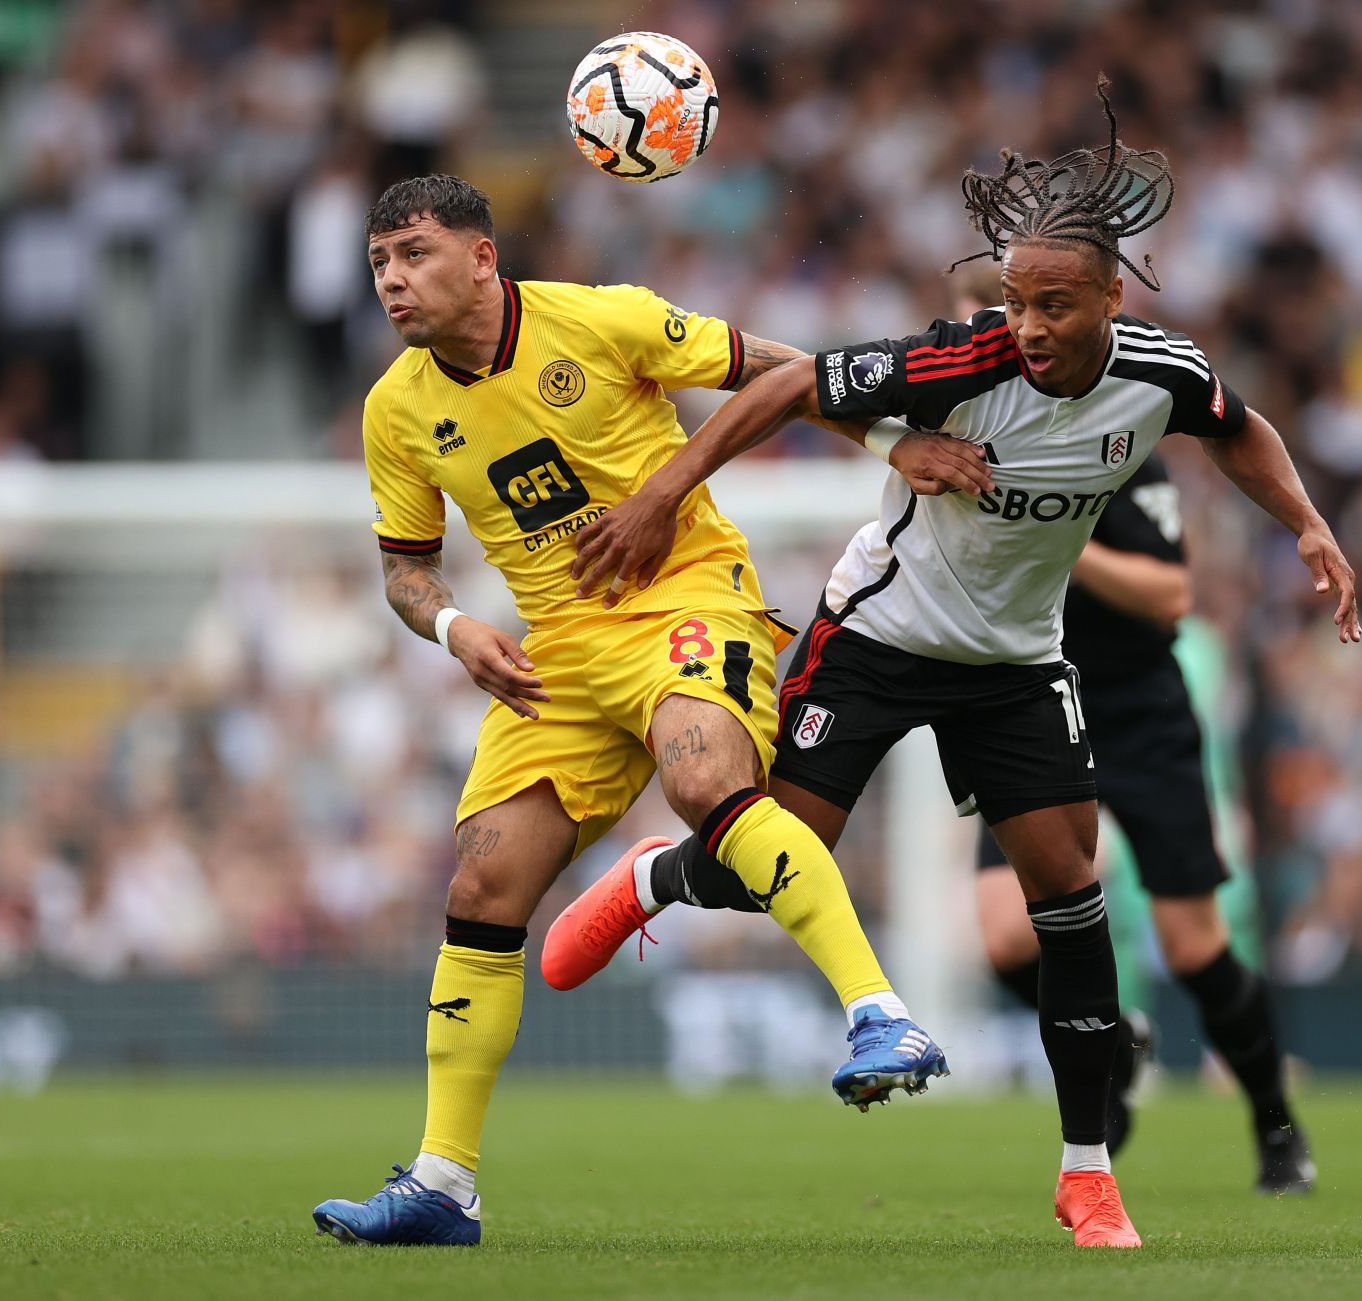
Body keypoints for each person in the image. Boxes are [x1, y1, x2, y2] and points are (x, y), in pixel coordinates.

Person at [549, 82, 1359, 1248]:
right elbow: (785, 382)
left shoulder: (1159, 374)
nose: (1026, 324)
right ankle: (660, 879)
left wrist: (1309, 525)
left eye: (1053, 303)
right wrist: (665, 492)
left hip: (1016, 663)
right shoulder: (959, 360)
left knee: (1068, 900)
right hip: (875, 641)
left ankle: (1088, 1175)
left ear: (1111, 298)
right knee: (772, 864)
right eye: (1017, 299)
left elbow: (1242, 429)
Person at [311, 175, 976, 1247]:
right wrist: (453, 629)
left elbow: (781, 369)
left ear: (482, 258)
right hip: (556, 657)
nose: (392, 277)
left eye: (415, 253)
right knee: (483, 881)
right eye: (380, 260)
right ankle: (444, 1181)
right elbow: (404, 567)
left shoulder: (599, 316)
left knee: (707, 774)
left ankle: (880, 1015)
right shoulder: (395, 408)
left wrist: (884, 442)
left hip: (687, 596)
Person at [945, 259, 1315, 1195]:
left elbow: (1172, 594)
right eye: (991, 324)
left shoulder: (1121, 444)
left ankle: (1276, 1122)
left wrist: (1063, 538)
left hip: (1138, 714)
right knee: (1001, 935)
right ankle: (1115, 1043)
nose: (1007, 343)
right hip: (1030, 698)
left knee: (1194, 944)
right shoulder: (962, 449)